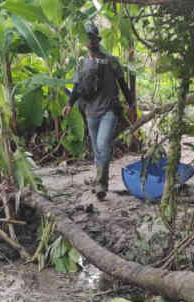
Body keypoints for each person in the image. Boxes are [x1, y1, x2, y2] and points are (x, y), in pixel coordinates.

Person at [62, 22, 134, 201]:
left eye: (93, 37)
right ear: (85, 42)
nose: (90, 41)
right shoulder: (82, 63)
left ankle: (102, 184)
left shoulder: (111, 60)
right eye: (87, 38)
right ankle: (98, 181)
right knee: (96, 149)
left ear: (97, 40)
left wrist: (131, 104)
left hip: (109, 108)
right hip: (91, 112)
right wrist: (70, 104)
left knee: (102, 145)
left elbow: (122, 83)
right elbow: (77, 87)